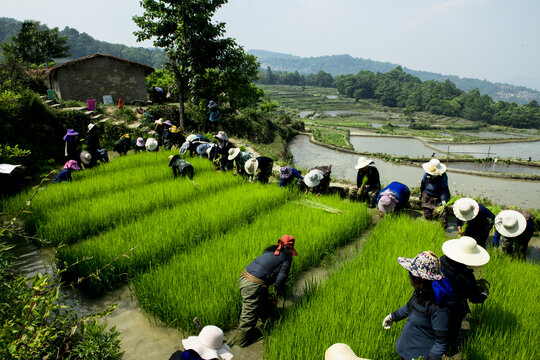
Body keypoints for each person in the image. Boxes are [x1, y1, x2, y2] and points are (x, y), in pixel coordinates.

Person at [382, 251, 450, 360]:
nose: (409, 277)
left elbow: (441, 342)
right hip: (405, 351)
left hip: (419, 356)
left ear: (419, 280)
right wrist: (392, 316)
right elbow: (408, 307)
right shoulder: (419, 295)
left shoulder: (438, 308)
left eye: (410, 274)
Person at [237, 235, 298, 347]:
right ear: (290, 249)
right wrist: (278, 291)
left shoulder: (270, 251)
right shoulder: (286, 257)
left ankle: (270, 324)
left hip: (243, 278)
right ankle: (240, 344)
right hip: (253, 285)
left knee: (265, 303)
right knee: (248, 317)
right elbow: (282, 277)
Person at [440, 237, 490, 346]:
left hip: (436, 299)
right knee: (452, 329)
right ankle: (449, 347)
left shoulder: (442, 260)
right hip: (453, 308)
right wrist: (484, 294)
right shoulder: (466, 277)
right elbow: (475, 298)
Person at [420, 158, 450, 228]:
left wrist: (443, 200)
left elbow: (444, 189)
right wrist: (421, 193)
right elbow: (423, 184)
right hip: (427, 195)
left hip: (439, 196)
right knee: (428, 216)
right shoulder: (426, 175)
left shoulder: (443, 177)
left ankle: (443, 226)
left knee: (442, 216)